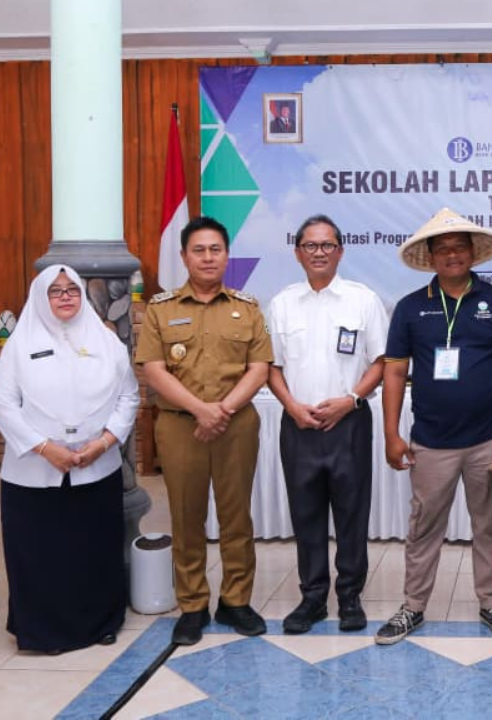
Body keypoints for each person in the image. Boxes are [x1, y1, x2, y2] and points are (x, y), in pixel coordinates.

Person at [376, 208, 492, 645]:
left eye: (459, 246)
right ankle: (413, 607)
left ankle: (491, 602)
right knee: (424, 528)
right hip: (431, 442)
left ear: (472, 252)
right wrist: (391, 433)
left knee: (489, 526)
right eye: (442, 248)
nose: (451, 254)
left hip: (489, 438)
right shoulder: (411, 307)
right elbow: (394, 371)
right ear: (430, 256)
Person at [136, 216, 272, 646]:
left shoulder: (247, 308)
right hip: (180, 427)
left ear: (227, 255)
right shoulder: (161, 310)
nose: (208, 257)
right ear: (184, 257)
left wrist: (222, 410)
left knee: (236, 517)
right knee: (186, 516)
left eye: (216, 249)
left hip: (236, 425)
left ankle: (236, 601)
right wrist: (200, 410)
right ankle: (193, 605)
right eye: (199, 250)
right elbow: (153, 370)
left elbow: (259, 369)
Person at [0, 265, 138, 654]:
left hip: (96, 465)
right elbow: (2, 404)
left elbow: (129, 396)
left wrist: (104, 443)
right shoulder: (19, 346)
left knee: (94, 550)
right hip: (34, 473)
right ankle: (43, 632)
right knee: (40, 554)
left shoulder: (106, 342)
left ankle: (102, 623)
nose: (66, 296)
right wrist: (44, 448)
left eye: (72, 289)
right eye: (55, 291)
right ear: (41, 297)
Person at [266, 214, 388, 634]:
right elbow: (271, 367)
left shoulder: (362, 300)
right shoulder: (282, 304)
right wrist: (292, 407)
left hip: (349, 423)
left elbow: (381, 361)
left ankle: (350, 596)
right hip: (298, 425)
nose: (319, 252)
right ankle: (313, 598)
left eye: (327, 245)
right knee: (306, 514)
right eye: (310, 245)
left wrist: (350, 401)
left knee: (352, 513)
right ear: (298, 252)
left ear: (340, 251)